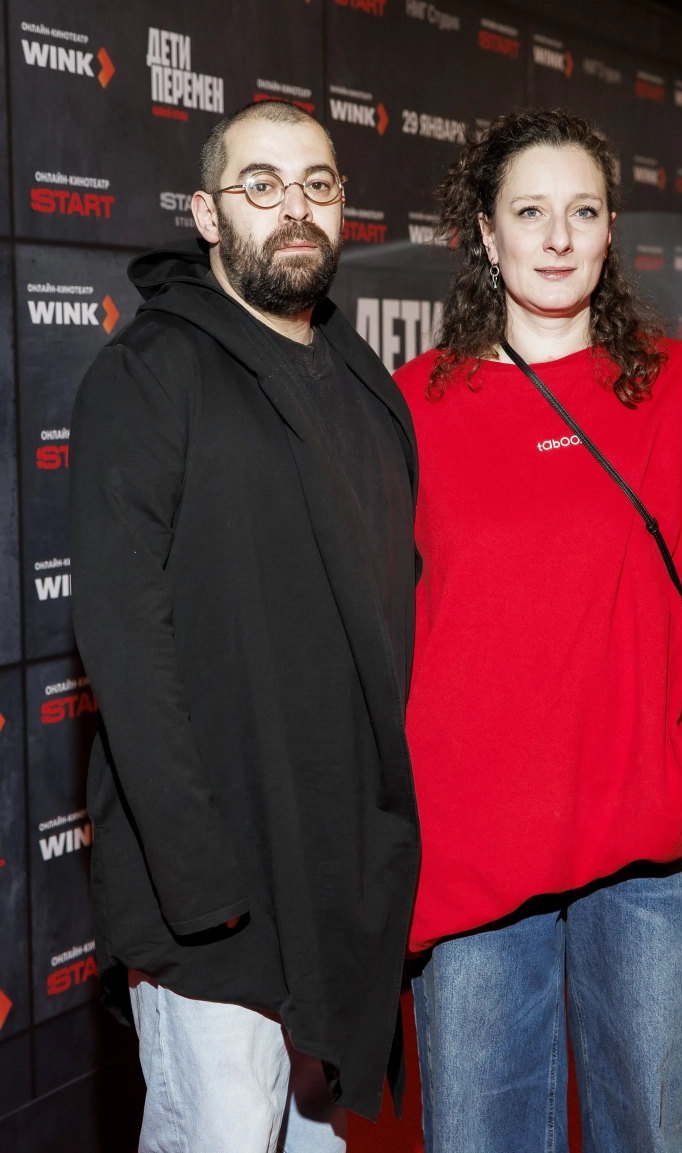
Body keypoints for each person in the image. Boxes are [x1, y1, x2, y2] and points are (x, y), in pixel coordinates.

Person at [394, 109, 682, 1153]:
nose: (556, 237)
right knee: (478, 1136)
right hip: (476, 852)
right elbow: (379, 628)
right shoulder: (413, 408)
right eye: (529, 211)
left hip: (651, 843)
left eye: (582, 211)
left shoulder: (681, 393)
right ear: (484, 233)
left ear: (611, 229)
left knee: (647, 1133)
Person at [70, 100, 420, 1153]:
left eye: (317, 184)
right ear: (206, 214)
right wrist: (200, 882)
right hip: (215, 897)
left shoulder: (364, 381)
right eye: (260, 185)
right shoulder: (148, 372)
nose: (293, 207)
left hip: (333, 886)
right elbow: (125, 644)